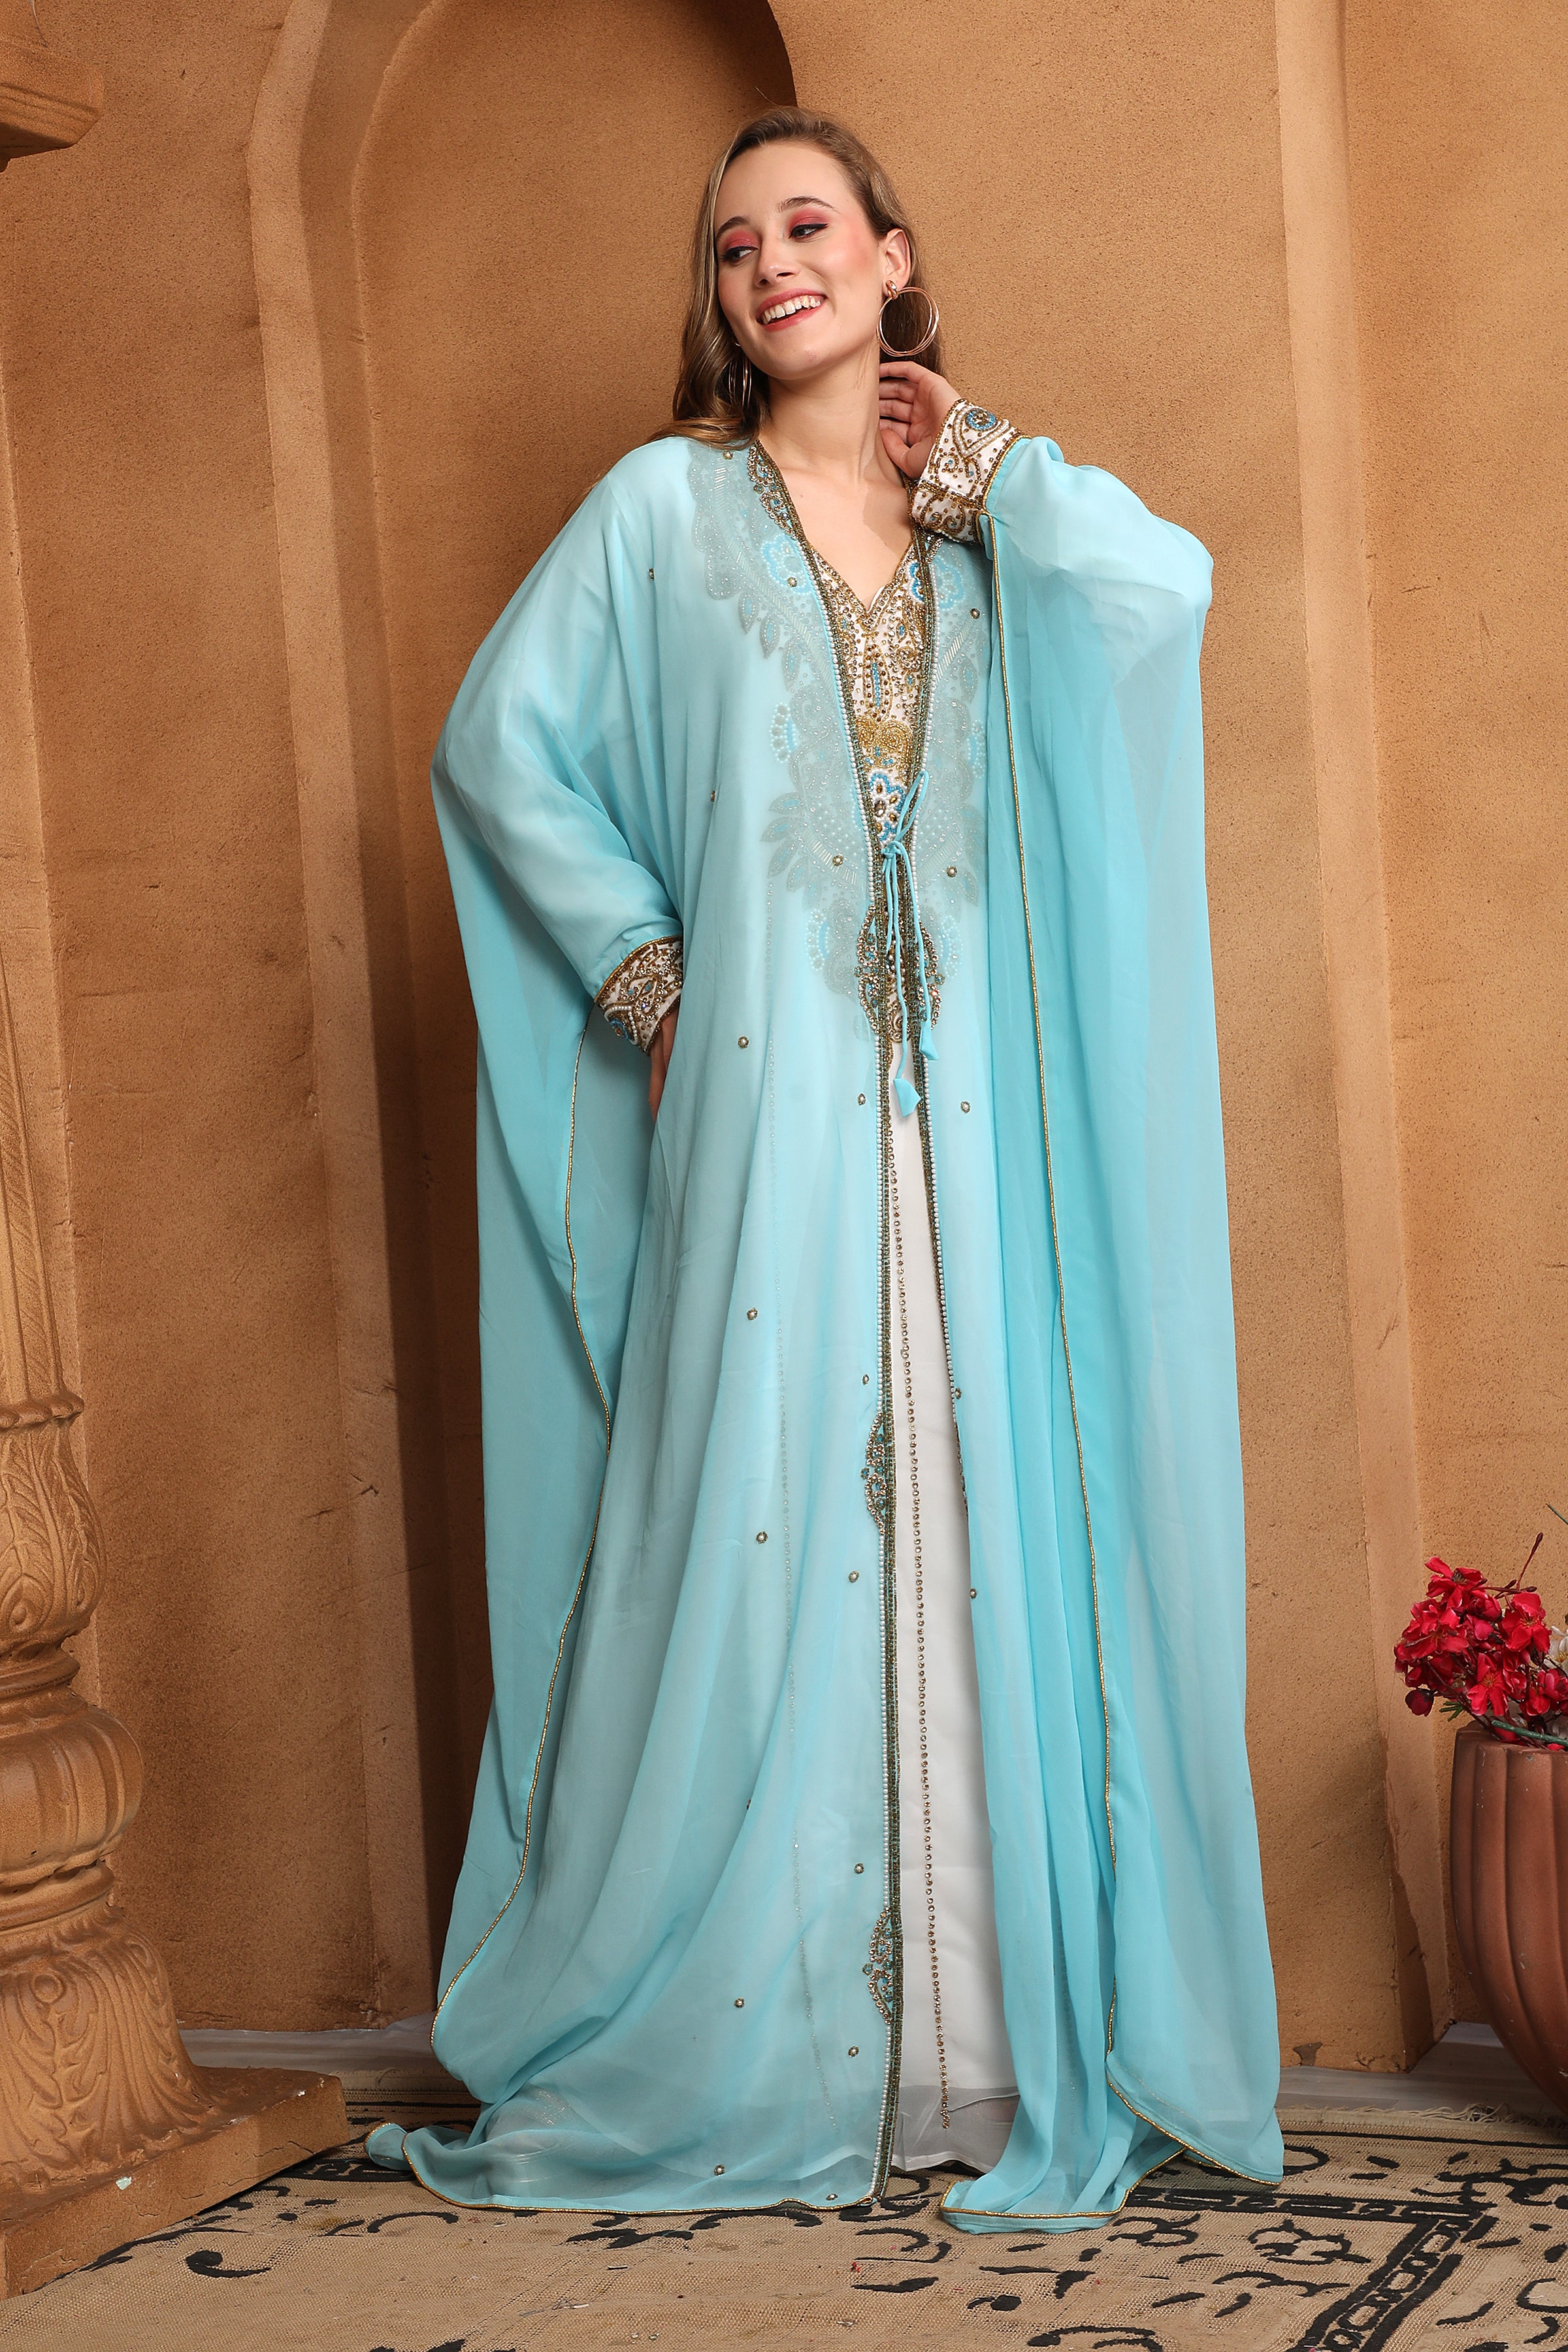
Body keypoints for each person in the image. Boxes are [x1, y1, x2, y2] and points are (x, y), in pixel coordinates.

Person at [368, 104, 1283, 2229]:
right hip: (769, 1120)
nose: (769, 264)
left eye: (806, 225)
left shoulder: (983, 524)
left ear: (890, 257)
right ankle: (771, 2051)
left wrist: (989, 470)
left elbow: (1167, 593)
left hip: (977, 1119)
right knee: (758, 1520)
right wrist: (649, 974)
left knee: (986, 1511)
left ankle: (985, 2059)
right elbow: (498, 745)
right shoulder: (661, 512)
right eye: (732, 245)